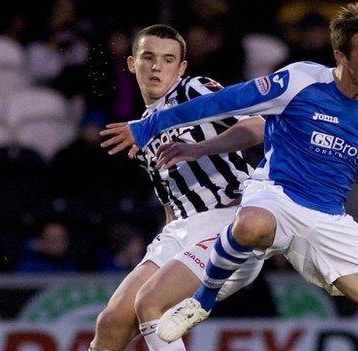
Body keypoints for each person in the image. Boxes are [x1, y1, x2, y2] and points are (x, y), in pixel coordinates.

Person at [102, 4, 358, 350]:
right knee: (112, 323)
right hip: (270, 199)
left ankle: (203, 298)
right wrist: (151, 126)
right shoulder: (299, 81)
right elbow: (176, 187)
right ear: (342, 57)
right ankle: (202, 301)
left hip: (312, 218)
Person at [90, 24, 266, 351]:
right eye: (148, 58)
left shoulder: (193, 90)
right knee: (111, 323)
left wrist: (201, 148)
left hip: (229, 220)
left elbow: (258, 125)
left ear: (181, 67)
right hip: (182, 229)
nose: (157, 67)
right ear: (132, 63)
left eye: (168, 59)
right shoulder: (141, 129)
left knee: (149, 305)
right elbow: (170, 201)